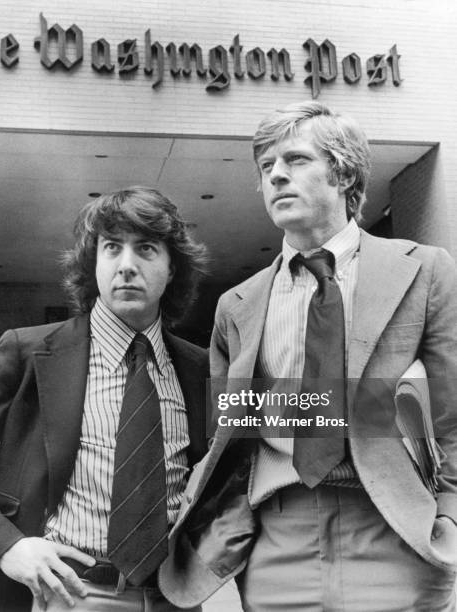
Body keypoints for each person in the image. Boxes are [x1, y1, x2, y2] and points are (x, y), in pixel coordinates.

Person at [159, 102, 457, 611]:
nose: (275, 175)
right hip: (279, 538)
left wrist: (448, 515)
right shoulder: (237, 304)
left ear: (342, 173)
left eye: (294, 160)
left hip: (396, 529)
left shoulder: (424, 271)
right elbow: (231, 434)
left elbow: (452, 414)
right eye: (266, 167)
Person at [0, 186, 209, 612]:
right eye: (112, 248)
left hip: (173, 597)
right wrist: (6, 547)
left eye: (147, 249)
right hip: (60, 594)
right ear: (92, 264)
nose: (127, 266)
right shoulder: (26, 351)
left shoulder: (201, 369)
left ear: (172, 270)